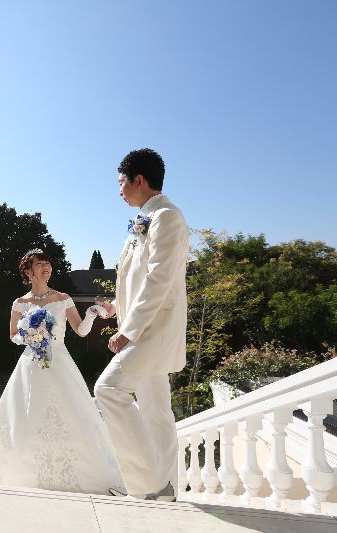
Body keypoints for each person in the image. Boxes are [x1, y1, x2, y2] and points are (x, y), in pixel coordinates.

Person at [0, 249, 123, 494]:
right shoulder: (20, 303)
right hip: (30, 362)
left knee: (70, 413)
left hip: (60, 362)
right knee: (27, 414)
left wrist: (91, 314)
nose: (46, 267)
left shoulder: (63, 298)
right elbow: (13, 335)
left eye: (48, 263)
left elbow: (81, 331)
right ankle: (23, 471)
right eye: (40, 264)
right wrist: (30, 336)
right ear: (28, 272)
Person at [93, 148, 188, 502]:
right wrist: (115, 308)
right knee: (156, 413)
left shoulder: (167, 217)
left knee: (107, 390)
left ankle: (148, 483)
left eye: (122, 181)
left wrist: (128, 330)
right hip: (141, 325)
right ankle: (166, 489)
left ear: (139, 180)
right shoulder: (142, 221)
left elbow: (159, 280)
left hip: (153, 331)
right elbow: (137, 279)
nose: (119, 189)